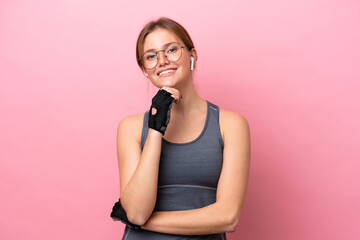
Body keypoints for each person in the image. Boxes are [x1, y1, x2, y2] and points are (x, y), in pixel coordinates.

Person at [110, 17, 251, 240]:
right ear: (144, 70)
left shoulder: (231, 125)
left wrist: (142, 222)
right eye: (151, 56)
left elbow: (228, 217)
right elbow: (137, 211)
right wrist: (156, 128)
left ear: (192, 55)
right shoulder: (131, 128)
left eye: (172, 50)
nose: (163, 60)